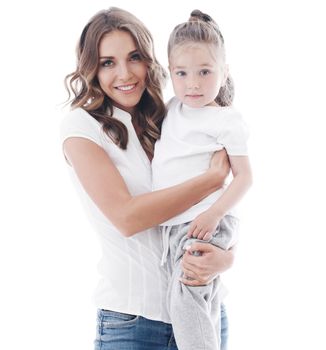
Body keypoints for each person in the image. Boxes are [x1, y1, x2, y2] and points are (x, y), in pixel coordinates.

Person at [61, 7, 234, 350]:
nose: (124, 73)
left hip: (204, 310)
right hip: (134, 325)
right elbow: (127, 218)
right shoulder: (82, 128)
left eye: (134, 57)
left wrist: (226, 257)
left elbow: (211, 210)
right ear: (91, 68)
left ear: (150, 61)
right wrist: (212, 178)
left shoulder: (171, 119)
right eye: (107, 62)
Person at [152, 9, 253, 350]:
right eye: (182, 73)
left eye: (204, 72)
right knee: (198, 305)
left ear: (224, 73)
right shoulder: (171, 109)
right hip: (177, 226)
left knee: (186, 303)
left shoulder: (226, 120)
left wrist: (213, 215)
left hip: (206, 221)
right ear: (170, 72)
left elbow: (244, 178)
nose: (192, 83)